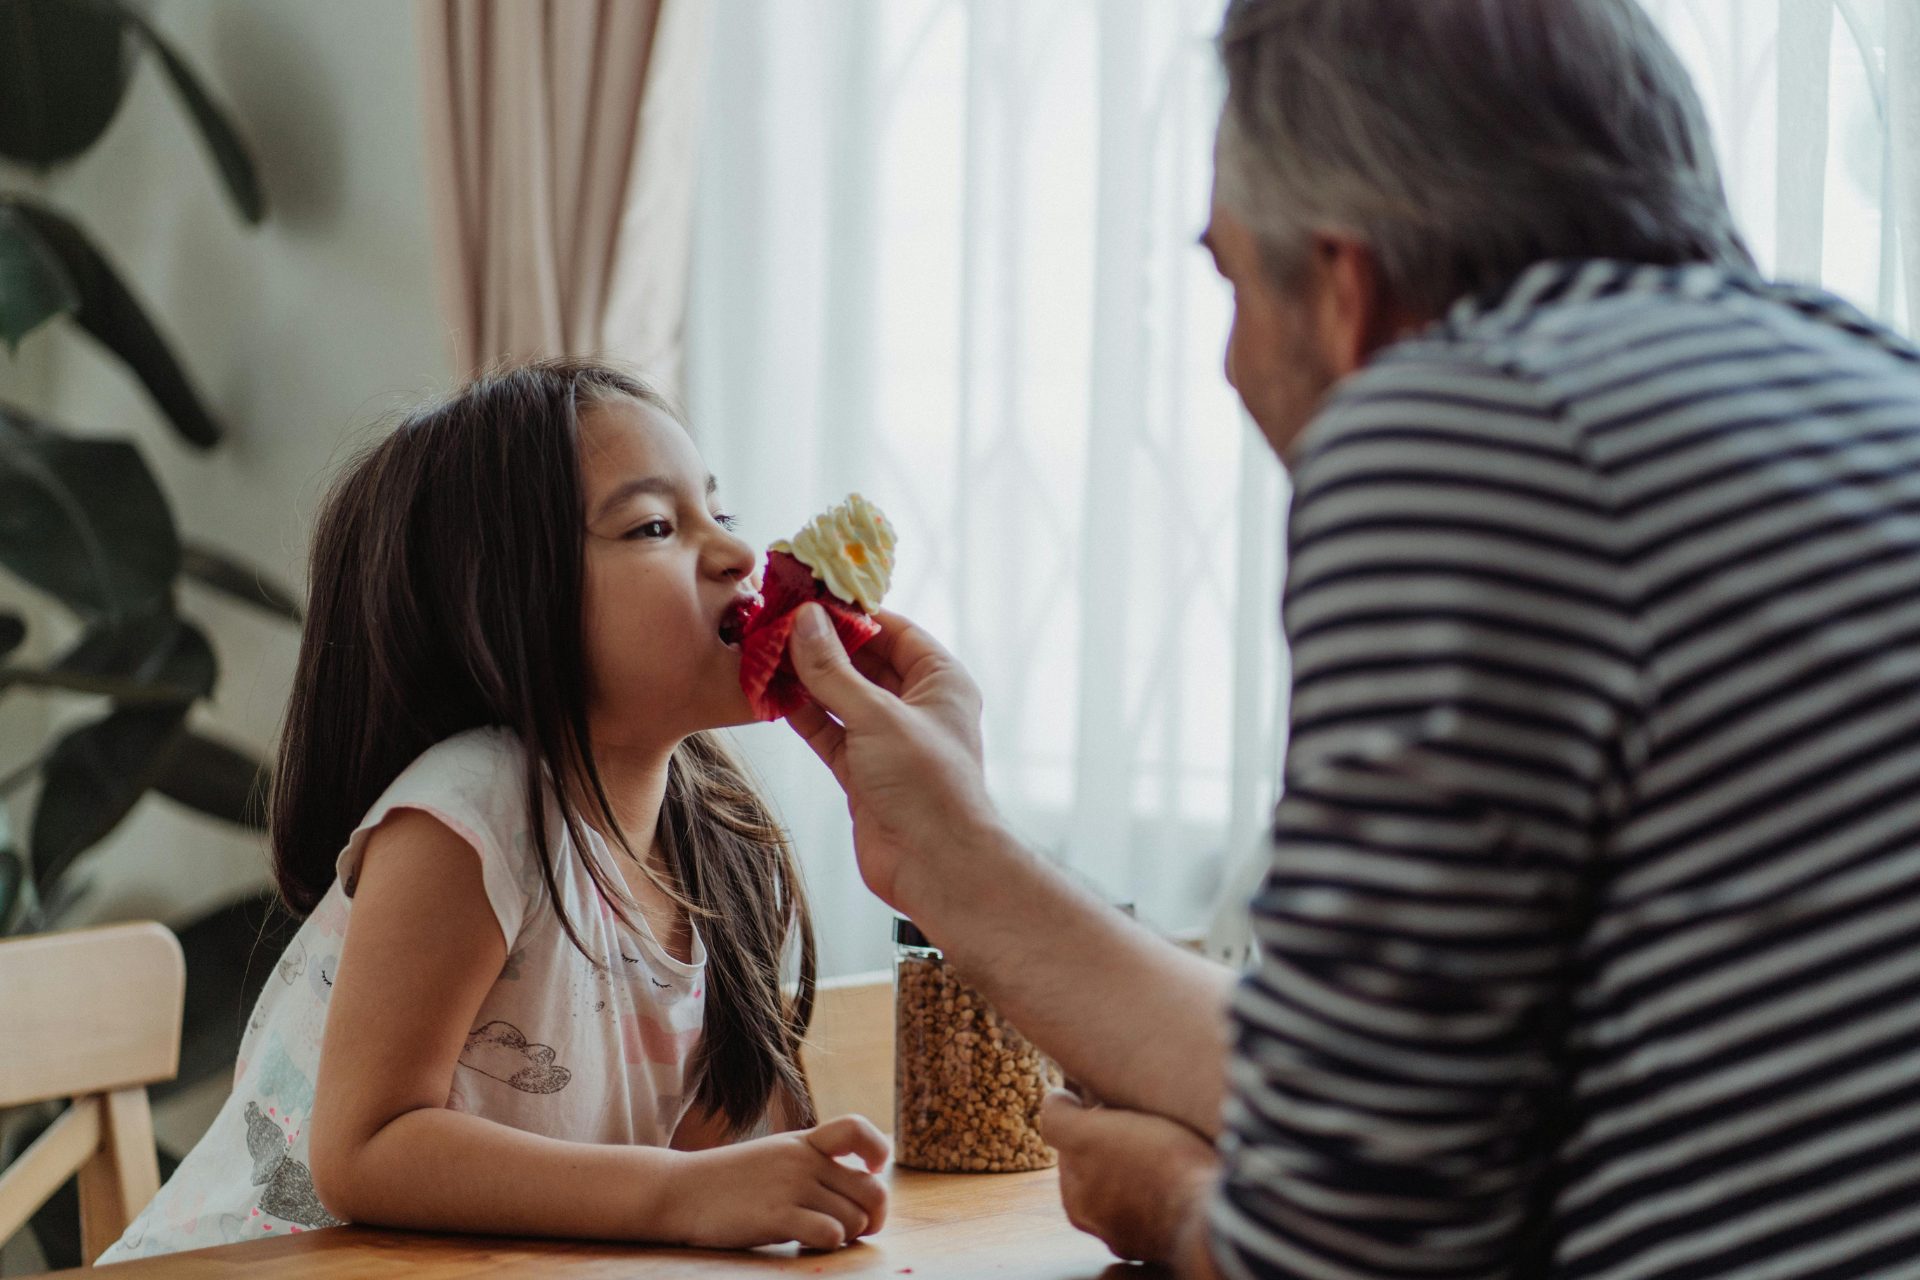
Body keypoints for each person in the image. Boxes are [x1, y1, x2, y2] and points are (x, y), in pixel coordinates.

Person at [780, 1, 1920, 1276]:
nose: (1223, 358)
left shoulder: (1464, 425)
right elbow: (1382, 1078)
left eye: (1226, 277)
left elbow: (1358, 1246)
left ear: (1344, 283)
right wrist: (950, 854)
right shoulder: (1864, 379)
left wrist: (1173, 1202)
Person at [98, 360, 889, 1263]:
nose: (740, 555)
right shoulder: (468, 814)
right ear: (506, 606)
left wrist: (788, 1182)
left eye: (722, 514)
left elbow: (702, 1151)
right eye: (655, 526)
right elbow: (367, 1149)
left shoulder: (713, 835)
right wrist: (681, 1195)